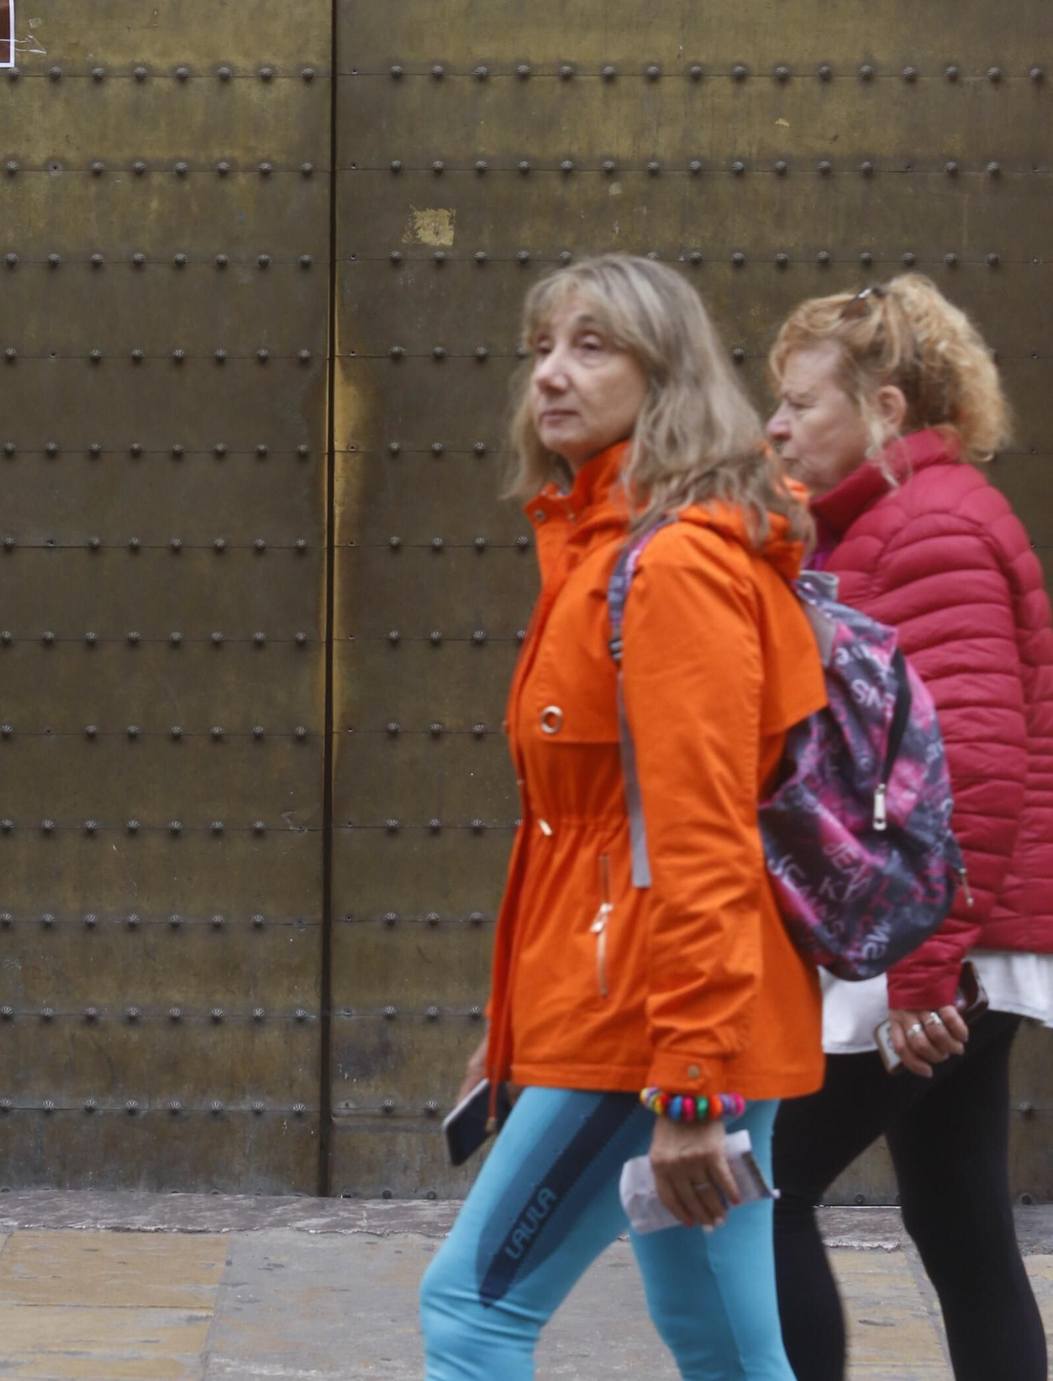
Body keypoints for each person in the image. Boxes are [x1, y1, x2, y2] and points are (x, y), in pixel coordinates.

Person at [421, 253, 827, 1381]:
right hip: (640, 1007)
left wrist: (692, 1084)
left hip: (656, 1025)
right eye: (541, 347)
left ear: (667, 376)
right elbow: (584, 837)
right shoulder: (603, 548)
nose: (549, 374)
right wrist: (512, 1030)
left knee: (470, 1312)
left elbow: (696, 839)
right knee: (724, 1344)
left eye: (592, 346)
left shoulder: (673, 570)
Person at [765, 277, 1053, 1381]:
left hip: (940, 943)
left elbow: (972, 769)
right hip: (954, 939)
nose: (775, 425)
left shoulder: (929, 529)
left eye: (800, 404)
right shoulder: (887, 524)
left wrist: (928, 974)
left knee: (761, 1188)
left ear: (886, 410)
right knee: (962, 1223)